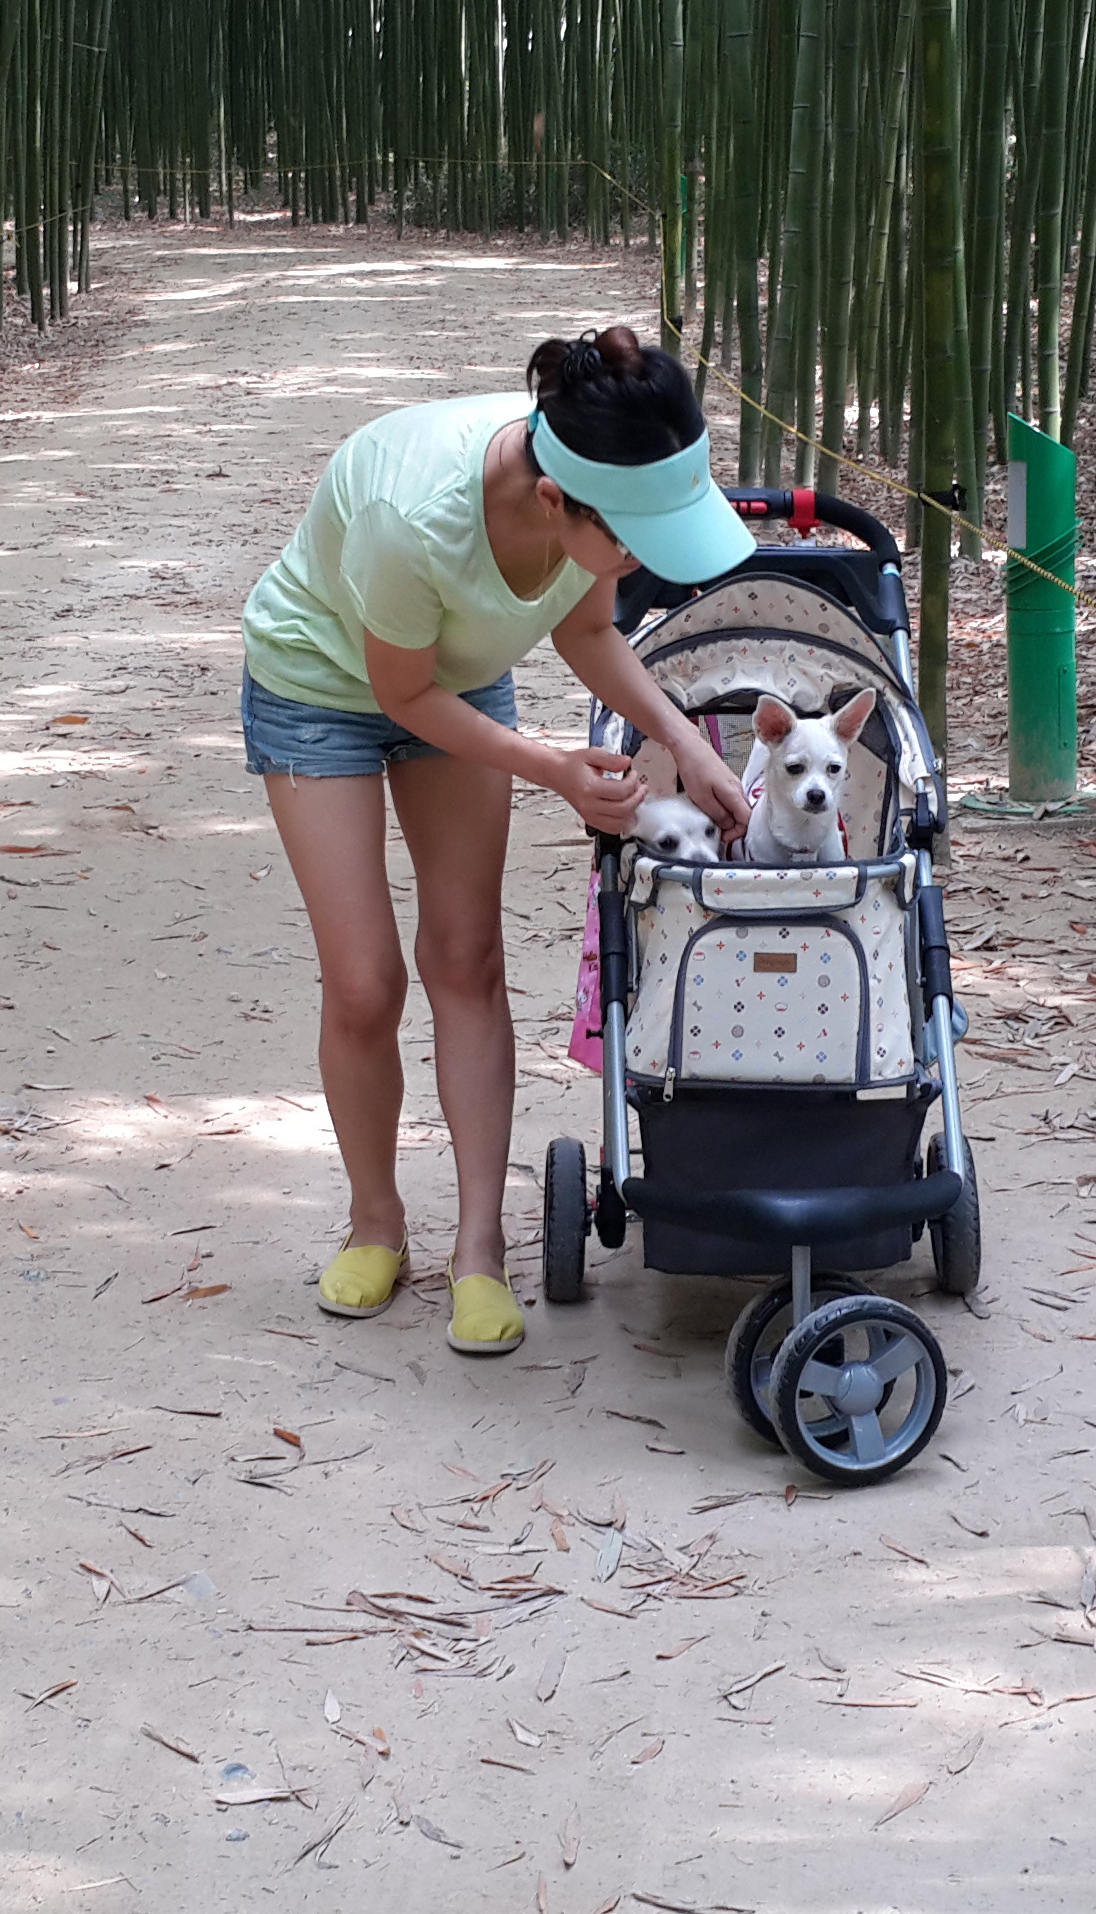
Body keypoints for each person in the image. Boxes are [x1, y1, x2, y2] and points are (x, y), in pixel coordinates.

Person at [239, 326, 756, 1353]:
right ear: (556, 499)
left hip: (459, 682)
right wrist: (557, 769)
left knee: (466, 958)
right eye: (637, 537)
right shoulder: (415, 516)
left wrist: (680, 740)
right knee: (364, 983)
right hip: (319, 688)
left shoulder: (594, 489)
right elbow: (401, 692)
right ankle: (376, 1222)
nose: (648, 558)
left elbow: (588, 630)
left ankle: (480, 1250)